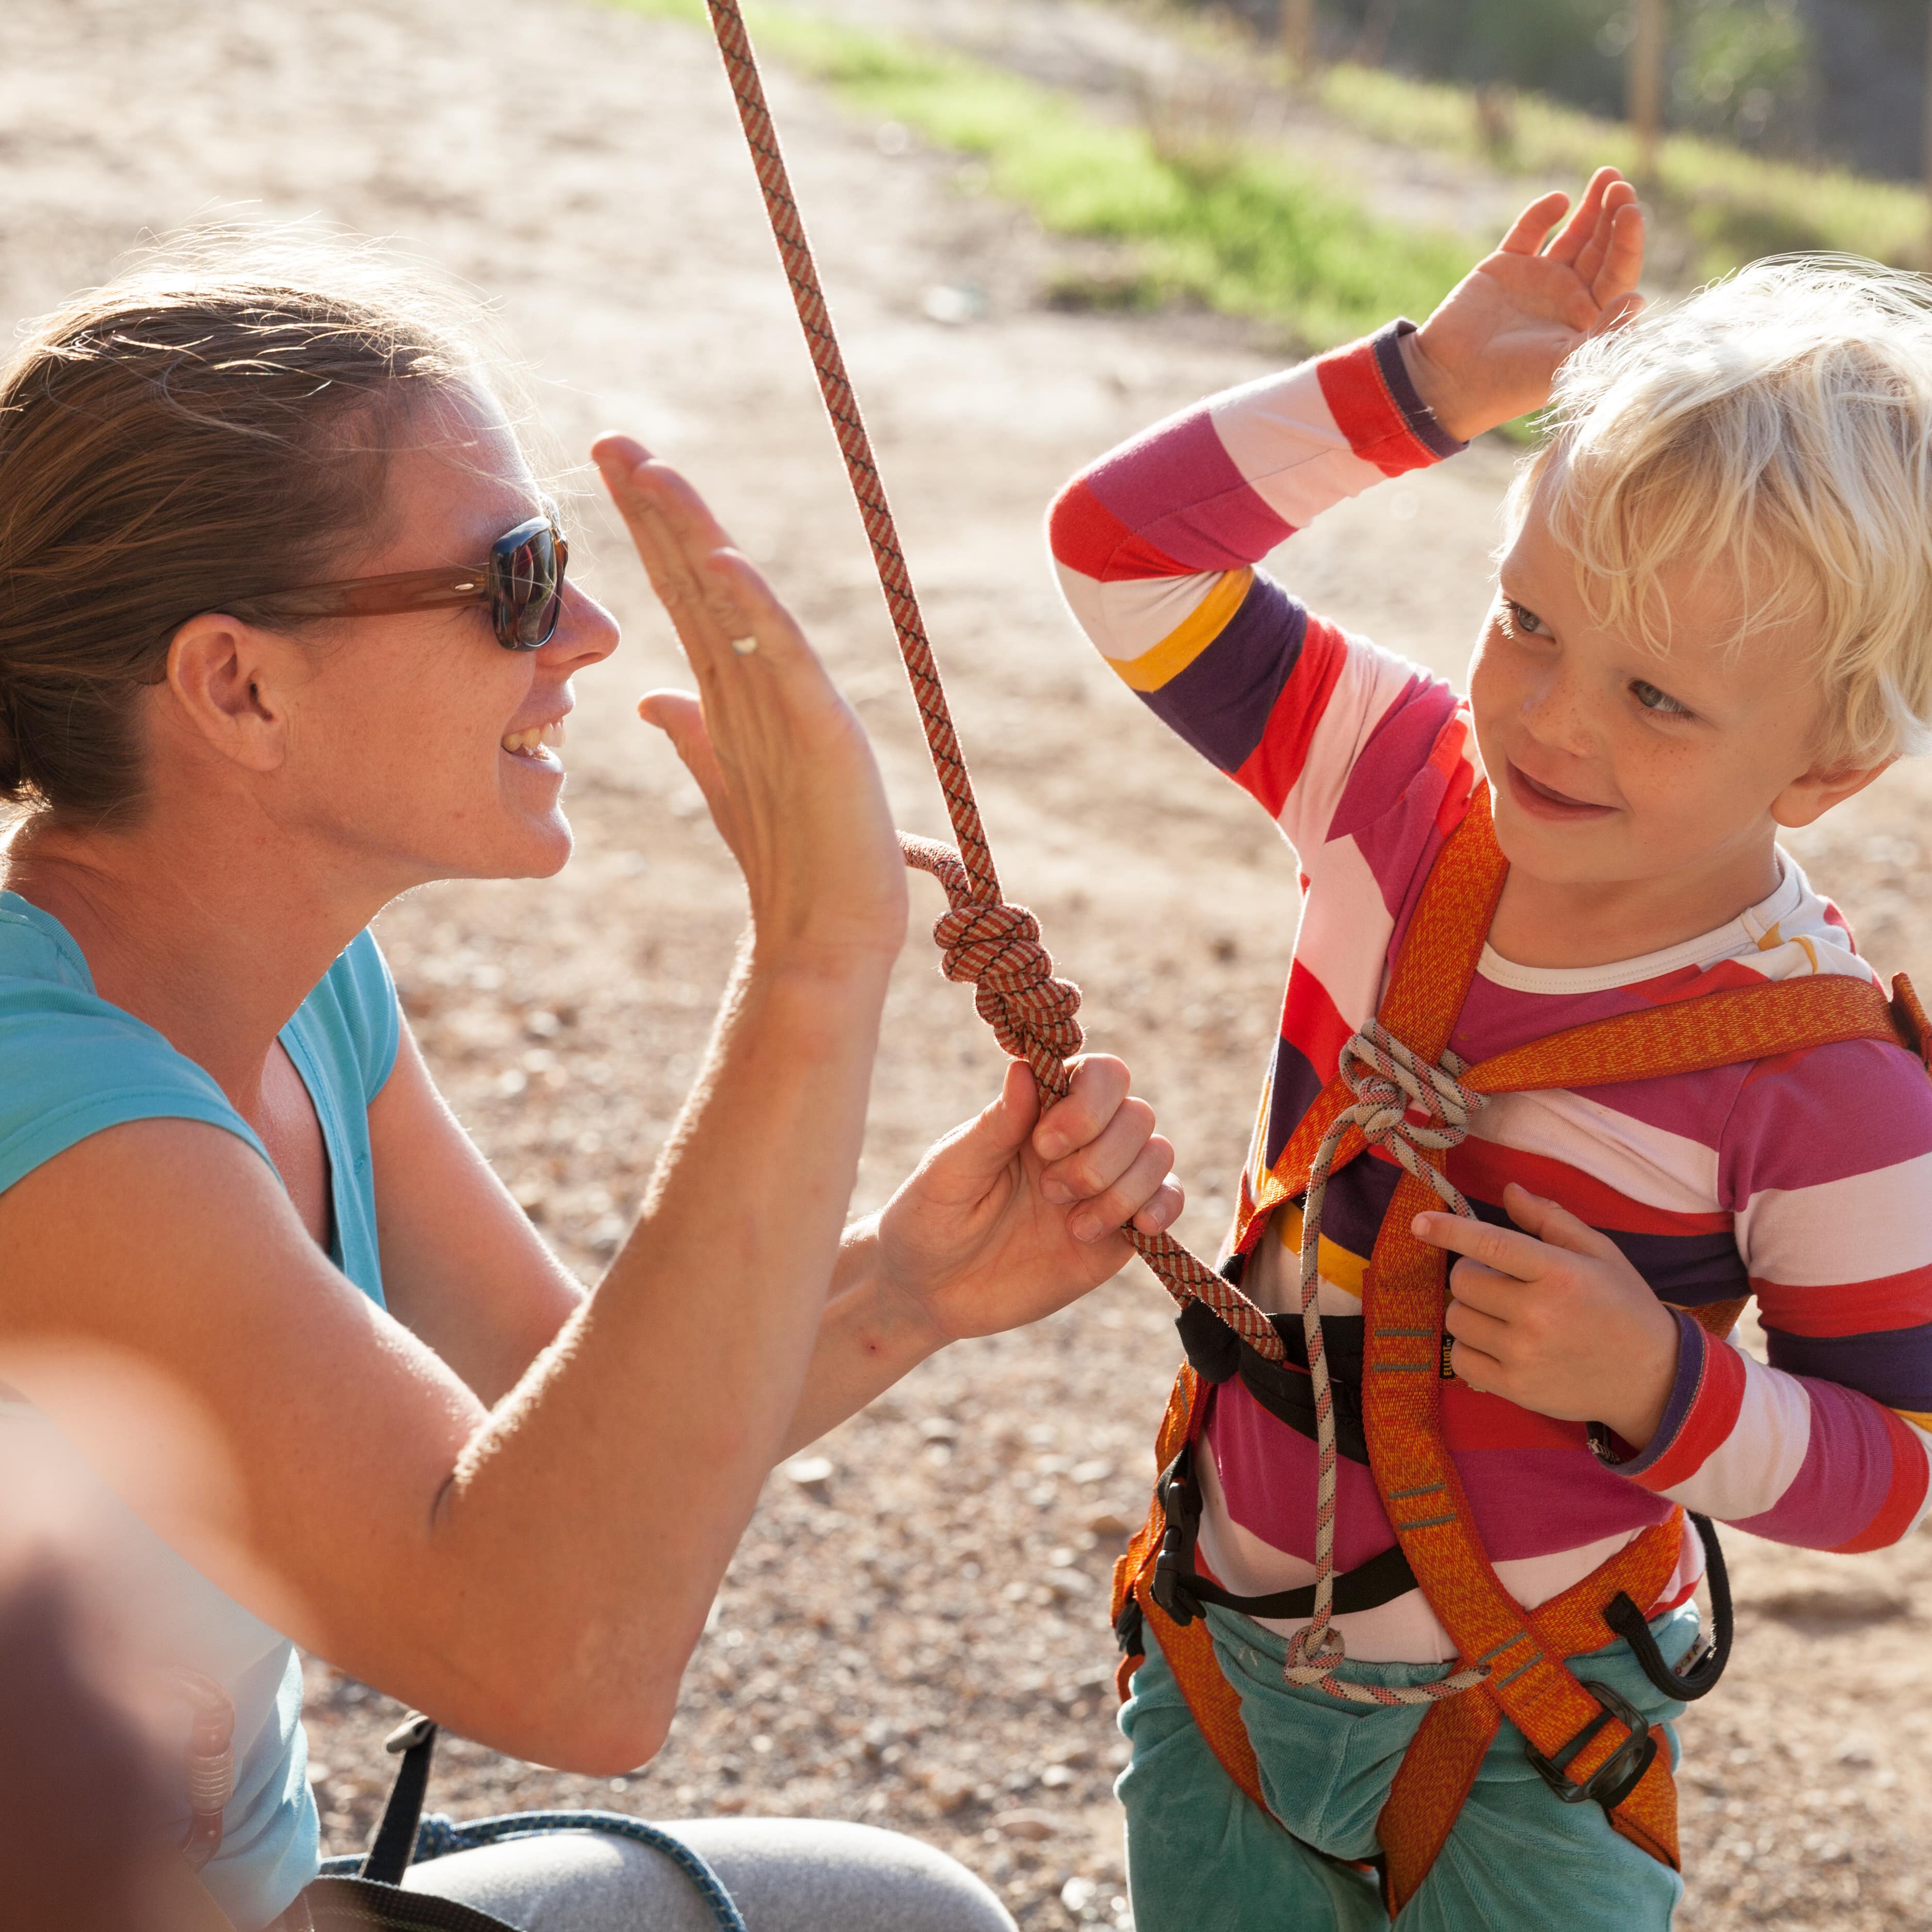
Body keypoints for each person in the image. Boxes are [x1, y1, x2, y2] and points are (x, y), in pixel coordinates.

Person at [0, 238, 1187, 1932]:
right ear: (239, 686)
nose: (586, 630)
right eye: (512, 578)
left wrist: (898, 1291)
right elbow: (559, 1658)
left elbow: (561, 1433)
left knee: (916, 1915)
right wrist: (814, 960)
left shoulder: (308, 992)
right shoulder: (54, 1111)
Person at [1048, 168, 1932, 1928]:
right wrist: (1425, 389)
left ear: (1826, 770)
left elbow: (1886, 1471)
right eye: (1529, 617)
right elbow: (1122, 551)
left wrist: (1654, 1388)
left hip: (1529, 1745)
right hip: (1224, 1661)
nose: (1546, 713)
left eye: (1658, 697)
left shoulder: (1830, 1091)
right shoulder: (1393, 786)